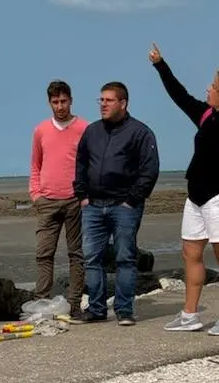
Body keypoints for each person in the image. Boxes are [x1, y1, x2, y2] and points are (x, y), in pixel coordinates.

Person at [148, 43, 219, 336]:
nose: (208, 89)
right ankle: (190, 315)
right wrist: (161, 65)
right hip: (196, 197)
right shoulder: (205, 116)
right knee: (190, 253)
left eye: (213, 86)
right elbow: (180, 96)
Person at [74, 82, 159, 326]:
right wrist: (82, 195)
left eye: (108, 100)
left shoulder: (140, 133)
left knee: (124, 257)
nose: (102, 104)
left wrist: (132, 200)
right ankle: (97, 309)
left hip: (124, 206)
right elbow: (80, 163)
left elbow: (149, 170)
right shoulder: (92, 132)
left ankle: (124, 310)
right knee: (92, 258)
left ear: (123, 103)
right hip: (93, 205)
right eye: (100, 100)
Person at [29, 81, 89, 318]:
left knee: (76, 254)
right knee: (44, 253)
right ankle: (41, 303)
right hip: (47, 201)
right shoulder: (41, 130)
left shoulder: (84, 128)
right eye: (55, 102)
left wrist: (86, 196)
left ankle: (74, 305)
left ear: (71, 100)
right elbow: (35, 164)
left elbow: (90, 164)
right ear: (49, 103)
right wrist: (35, 194)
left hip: (75, 200)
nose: (60, 106)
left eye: (64, 101)